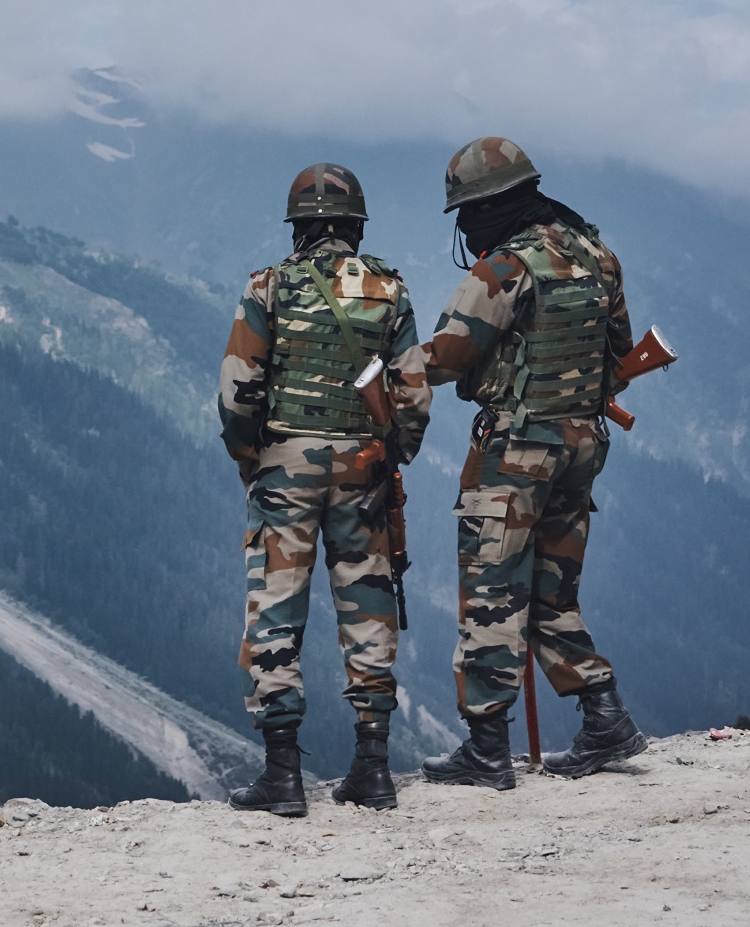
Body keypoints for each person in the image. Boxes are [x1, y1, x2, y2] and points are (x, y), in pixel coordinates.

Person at [419, 137, 648, 789]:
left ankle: (487, 749)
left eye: (468, 212)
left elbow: (447, 356)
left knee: (491, 592)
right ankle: (604, 716)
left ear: (484, 207)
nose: (467, 225)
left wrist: (380, 369)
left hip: (516, 453)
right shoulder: (598, 256)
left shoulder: (505, 267)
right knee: (552, 590)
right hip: (583, 444)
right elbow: (621, 352)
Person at [217, 163, 431, 816]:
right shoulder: (390, 289)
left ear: (299, 228)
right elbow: (414, 395)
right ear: (356, 226)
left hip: (285, 464)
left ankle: (282, 774)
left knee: (275, 610)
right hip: (363, 465)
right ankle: (373, 768)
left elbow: (237, 392)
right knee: (368, 607)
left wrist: (254, 461)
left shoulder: (269, 286)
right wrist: (390, 456)